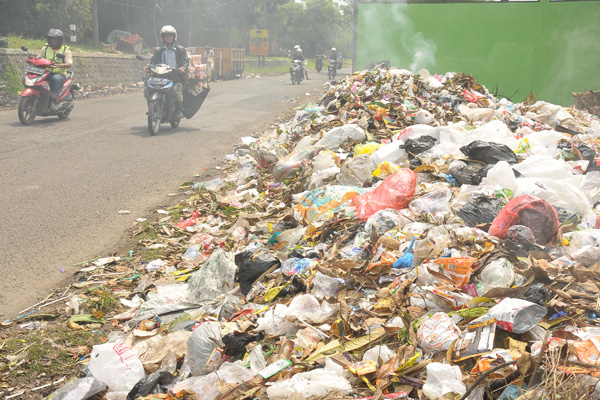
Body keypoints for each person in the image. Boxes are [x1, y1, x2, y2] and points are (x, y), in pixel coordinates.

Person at [147, 25, 189, 118]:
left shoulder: (180, 50)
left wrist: (182, 68)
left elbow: (185, 61)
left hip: (176, 76)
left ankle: (179, 111)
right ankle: (152, 107)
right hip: (161, 76)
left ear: (174, 37)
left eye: (170, 35)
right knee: (147, 89)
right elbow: (153, 61)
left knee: (176, 90)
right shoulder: (159, 51)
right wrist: (149, 66)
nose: (168, 37)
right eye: (166, 35)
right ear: (163, 38)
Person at [37, 29, 72, 110]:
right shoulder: (44, 49)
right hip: (46, 72)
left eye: (55, 39)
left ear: (60, 40)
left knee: (55, 79)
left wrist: (60, 65)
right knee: (36, 78)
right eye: (51, 39)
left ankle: (52, 101)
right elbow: (38, 58)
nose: (53, 41)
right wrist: (31, 60)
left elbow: (69, 64)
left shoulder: (65, 50)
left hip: (60, 74)